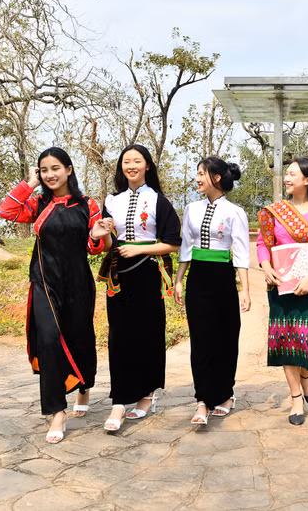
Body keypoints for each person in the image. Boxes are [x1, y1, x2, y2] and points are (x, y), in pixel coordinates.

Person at [0, 147, 110, 443]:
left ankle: (83, 387)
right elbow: (6, 211)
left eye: (55, 168)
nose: (50, 174)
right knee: (48, 340)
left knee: (80, 337)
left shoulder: (88, 204)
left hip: (77, 282)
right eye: (44, 169)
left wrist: (97, 235)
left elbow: (94, 247)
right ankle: (57, 411)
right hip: (44, 281)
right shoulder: (36, 204)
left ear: (69, 170)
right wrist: (29, 183)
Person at [97, 144, 181, 433]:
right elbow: (107, 246)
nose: (131, 165)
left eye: (137, 161)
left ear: (147, 166)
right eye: (126, 161)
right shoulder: (111, 201)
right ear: (121, 167)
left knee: (149, 333)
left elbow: (173, 242)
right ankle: (119, 402)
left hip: (147, 272)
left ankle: (147, 394)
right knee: (119, 336)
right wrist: (105, 234)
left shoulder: (158, 200)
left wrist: (140, 250)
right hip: (118, 275)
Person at [256, 157, 308, 425]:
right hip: (280, 285)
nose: (287, 179)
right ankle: (295, 399)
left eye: (292, 174)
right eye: (286, 174)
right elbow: (262, 245)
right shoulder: (274, 212)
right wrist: (266, 266)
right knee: (286, 343)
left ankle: (305, 377)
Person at [174, 157, 251, 425]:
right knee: (201, 339)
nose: (197, 179)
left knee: (226, 337)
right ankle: (202, 400)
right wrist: (179, 279)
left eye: (201, 174)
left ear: (216, 178)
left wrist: (245, 290)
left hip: (223, 278)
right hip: (198, 277)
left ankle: (225, 394)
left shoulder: (235, 212)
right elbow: (186, 246)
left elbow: (241, 253)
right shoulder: (191, 209)